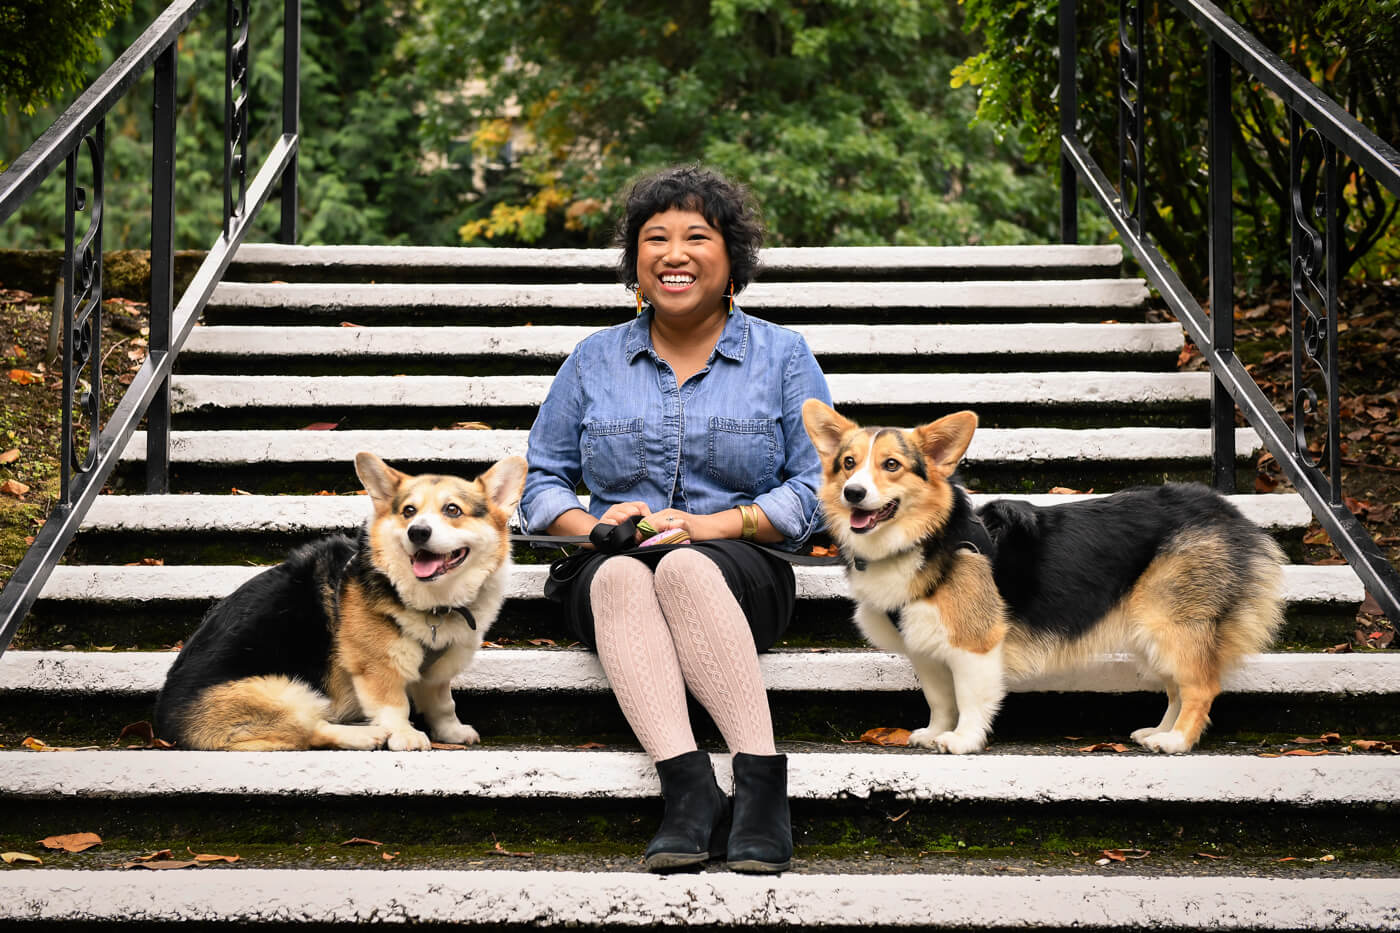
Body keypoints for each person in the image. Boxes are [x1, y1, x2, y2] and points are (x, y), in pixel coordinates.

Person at [520, 164, 832, 874]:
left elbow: (816, 486)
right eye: (654, 238)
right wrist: (595, 526)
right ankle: (689, 790)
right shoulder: (594, 359)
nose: (673, 253)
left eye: (697, 235)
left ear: (732, 262)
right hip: (611, 566)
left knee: (685, 565)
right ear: (636, 263)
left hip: (741, 570)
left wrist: (713, 525)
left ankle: (760, 788)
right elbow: (541, 484)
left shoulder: (782, 355)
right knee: (625, 575)